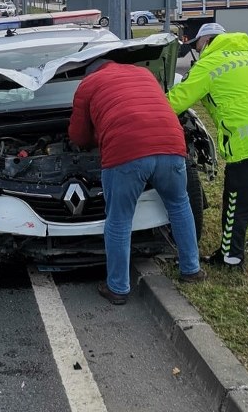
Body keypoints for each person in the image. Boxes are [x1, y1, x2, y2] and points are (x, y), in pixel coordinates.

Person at [69, 58, 207, 306]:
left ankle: (118, 288)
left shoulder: (89, 83)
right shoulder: (143, 73)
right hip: (172, 146)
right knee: (179, 205)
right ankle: (191, 270)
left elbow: (78, 135)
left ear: (88, 72)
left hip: (126, 152)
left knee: (120, 220)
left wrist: (91, 141)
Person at [167, 23, 248, 270]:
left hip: (247, 146)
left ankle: (231, 258)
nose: (197, 50)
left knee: (236, 206)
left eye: (197, 45)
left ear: (205, 42)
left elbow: (177, 101)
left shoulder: (210, 64)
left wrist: (148, 104)